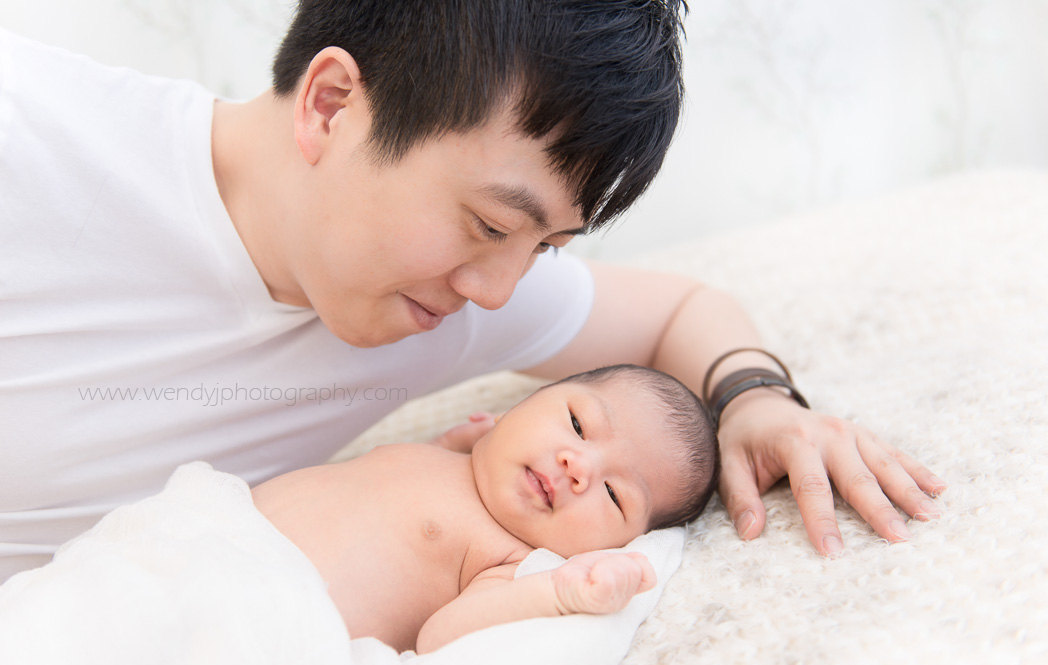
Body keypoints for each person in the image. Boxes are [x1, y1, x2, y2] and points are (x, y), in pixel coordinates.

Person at [0, 0, 943, 581]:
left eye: (545, 247)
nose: (498, 291)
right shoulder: (36, 137)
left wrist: (754, 400)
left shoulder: (434, 306)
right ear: (331, 104)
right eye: (492, 224)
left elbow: (677, 311)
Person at [252, 363, 720, 652]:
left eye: (615, 496)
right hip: (209, 529)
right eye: (577, 424)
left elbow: (441, 638)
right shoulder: (441, 455)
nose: (578, 466)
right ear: (522, 402)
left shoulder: (504, 560)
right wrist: (449, 445)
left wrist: (559, 594)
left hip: (260, 624)